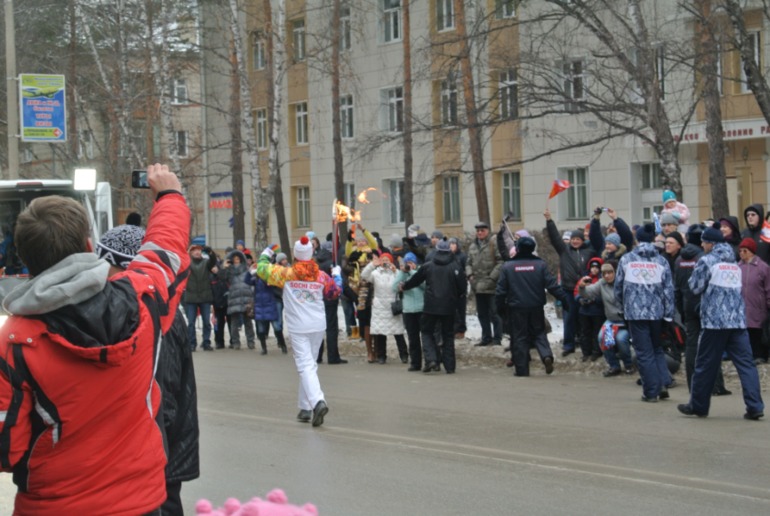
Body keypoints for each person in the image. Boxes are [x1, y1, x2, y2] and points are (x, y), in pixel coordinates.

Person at [0, 163, 189, 513]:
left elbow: (6, 448)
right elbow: (166, 249)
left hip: (54, 505)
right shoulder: (141, 300)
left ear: (26, 260)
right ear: (89, 245)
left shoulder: (14, 341)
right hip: (142, 502)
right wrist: (169, 196)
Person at [97, 223, 199, 514]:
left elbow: (162, 398)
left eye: (104, 266)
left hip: (156, 462)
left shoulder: (148, 316)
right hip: (155, 458)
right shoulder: (145, 309)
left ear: (124, 269)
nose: (100, 275)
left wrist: (147, 454)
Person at [679, 225, 765, 420]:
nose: (702, 244)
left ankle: (698, 405)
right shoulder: (734, 262)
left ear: (711, 243)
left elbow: (694, 286)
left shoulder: (707, 261)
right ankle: (755, 406)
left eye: (704, 241)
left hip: (715, 322)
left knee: (704, 364)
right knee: (746, 365)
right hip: (737, 321)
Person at [254, 237, 342, 427]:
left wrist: (266, 253)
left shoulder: (286, 274)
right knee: (310, 365)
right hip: (318, 325)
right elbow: (334, 292)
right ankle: (305, 407)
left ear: (295, 254)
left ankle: (318, 401)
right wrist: (336, 275)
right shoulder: (321, 276)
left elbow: (261, 269)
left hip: (299, 327)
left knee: (305, 366)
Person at [615, 223, 675, 402]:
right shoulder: (661, 260)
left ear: (637, 239)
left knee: (644, 352)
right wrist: (668, 314)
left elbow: (618, 287)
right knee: (656, 348)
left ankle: (651, 391)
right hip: (656, 313)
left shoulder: (627, 260)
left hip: (635, 313)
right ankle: (663, 383)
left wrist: (622, 306)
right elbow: (668, 290)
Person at [495, 236, 569, 377]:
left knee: (520, 337)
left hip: (516, 307)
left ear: (518, 249)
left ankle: (522, 369)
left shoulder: (508, 266)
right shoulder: (540, 265)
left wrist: (500, 307)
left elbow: (500, 291)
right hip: (536, 306)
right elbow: (552, 285)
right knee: (539, 332)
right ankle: (546, 355)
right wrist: (564, 299)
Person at [402, 240, 466, 374]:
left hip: (431, 306)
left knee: (426, 332)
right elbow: (462, 288)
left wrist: (404, 286)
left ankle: (431, 359)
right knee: (448, 335)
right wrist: (454, 297)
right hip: (449, 307)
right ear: (449, 251)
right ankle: (450, 366)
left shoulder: (428, 266)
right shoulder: (455, 266)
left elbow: (416, 280)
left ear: (436, 251)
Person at [544, 208, 597, 356]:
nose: (575, 241)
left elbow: (597, 238)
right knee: (569, 318)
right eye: (573, 239)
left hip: (584, 290)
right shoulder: (564, 250)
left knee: (584, 319)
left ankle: (585, 343)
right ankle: (568, 345)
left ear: (582, 240)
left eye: (578, 239)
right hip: (568, 289)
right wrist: (549, 221)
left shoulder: (589, 251)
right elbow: (554, 237)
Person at [579, 261, 634, 376]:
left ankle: (628, 365)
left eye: (610, 272)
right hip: (612, 321)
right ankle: (614, 366)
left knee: (621, 340)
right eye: (604, 273)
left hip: (625, 321)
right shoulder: (602, 283)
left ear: (616, 272)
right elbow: (587, 293)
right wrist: (582, 286)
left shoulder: (624, 284)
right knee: (604, 339)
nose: (607, 276)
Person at [361, 252, 408, 364]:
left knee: (398, 332)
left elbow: (404, 280)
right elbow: (364, 275)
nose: (385, 262)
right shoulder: (375, 273)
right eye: (383, 260)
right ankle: (382, 356)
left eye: (387, 260)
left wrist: (396, 271)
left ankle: (404, 355)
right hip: (379, 306)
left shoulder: (395, 273)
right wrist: (372, 264)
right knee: (381, 332)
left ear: (391, 261)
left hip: (392, 305)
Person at [466, 221, 503, 346]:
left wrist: (492, 278)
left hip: (492, 285)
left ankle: (497, 338)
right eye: (478, 231)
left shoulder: (494, 244)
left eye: (482, 230)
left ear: (487, 231)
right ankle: (486, 337)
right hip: (477, 285)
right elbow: (468, 263)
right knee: (482, 314)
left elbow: (501, 262)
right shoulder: (472, 246)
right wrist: (470, 275)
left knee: (495, 313)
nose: (480, 233)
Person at [737, 237, 770, 364]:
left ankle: (760, 354)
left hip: (758, 306)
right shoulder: (738, 267)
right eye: (740, 251)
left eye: (745, 251)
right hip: (743, 306)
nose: (742, 253)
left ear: (751, 251)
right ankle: (749, 354)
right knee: (746, 332)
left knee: (758, 331)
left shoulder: (763, 267)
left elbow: (768, 287)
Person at [183, 243, 217, 351]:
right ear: (191, 253)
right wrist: (185, 253)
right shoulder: (187, 263)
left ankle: (206, 342)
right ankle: (192, 343)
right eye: (194, 250)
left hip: (205, 297)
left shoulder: (206, 263)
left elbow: (213, 261)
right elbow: (180, 260)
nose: (197, 252)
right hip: (191, 297)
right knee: (191, 323)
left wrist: (210, 252)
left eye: (199, 250)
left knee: (206, 322)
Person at [394, 252, 425, 371]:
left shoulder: (420, 272)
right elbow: (394, 287)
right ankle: (415, 363)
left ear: (415, 263)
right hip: (408, 310)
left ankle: (430, 361)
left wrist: (411, 272)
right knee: (413, 338)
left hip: (421, 308)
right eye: (407, 263)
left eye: (411, 263)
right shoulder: (402, 274)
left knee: (426, 337)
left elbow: (424, 285)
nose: (409, 265)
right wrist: (403, 273)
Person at [220, 250, 255, 350]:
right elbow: (221, 277)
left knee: (248, 321)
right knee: (234, 322)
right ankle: (236, 342)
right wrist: (224, 267)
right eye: (234, 259)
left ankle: (250, 342)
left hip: (246, 296)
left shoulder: (246, 269)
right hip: (234, 297)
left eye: (238, 259)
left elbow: (252, 280)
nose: (236, 261)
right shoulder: (229, 270)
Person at [448, 237, 468, 338]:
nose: (451, 245)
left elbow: (466, 269)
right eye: (450, 243)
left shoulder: (462, 256)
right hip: (450, 288)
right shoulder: (447, 256)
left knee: (461, 310)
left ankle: (461, 330)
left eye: (453, 243)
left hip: (460, 287)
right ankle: (453, 329)